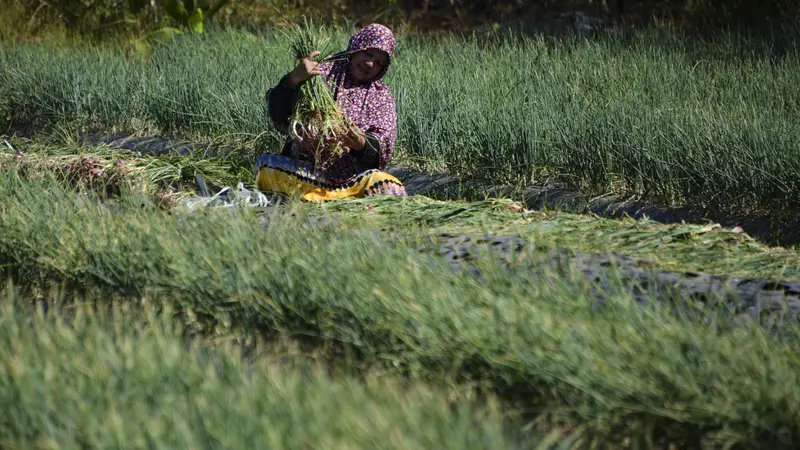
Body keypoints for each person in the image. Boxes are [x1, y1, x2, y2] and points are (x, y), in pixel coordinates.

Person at [256, 23, 407, 202]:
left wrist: (360, 143)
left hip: (351, 183)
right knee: (267, 167)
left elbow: (383, 145)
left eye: (379, 63)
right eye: (368, 54)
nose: (369, 64)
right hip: (305, 174)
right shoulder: (319, 72)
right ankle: (323, 197)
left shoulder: (381, 95)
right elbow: (277, 113)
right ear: (357, 47)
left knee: (389, 186)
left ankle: (327, 197)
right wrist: (293, 79)